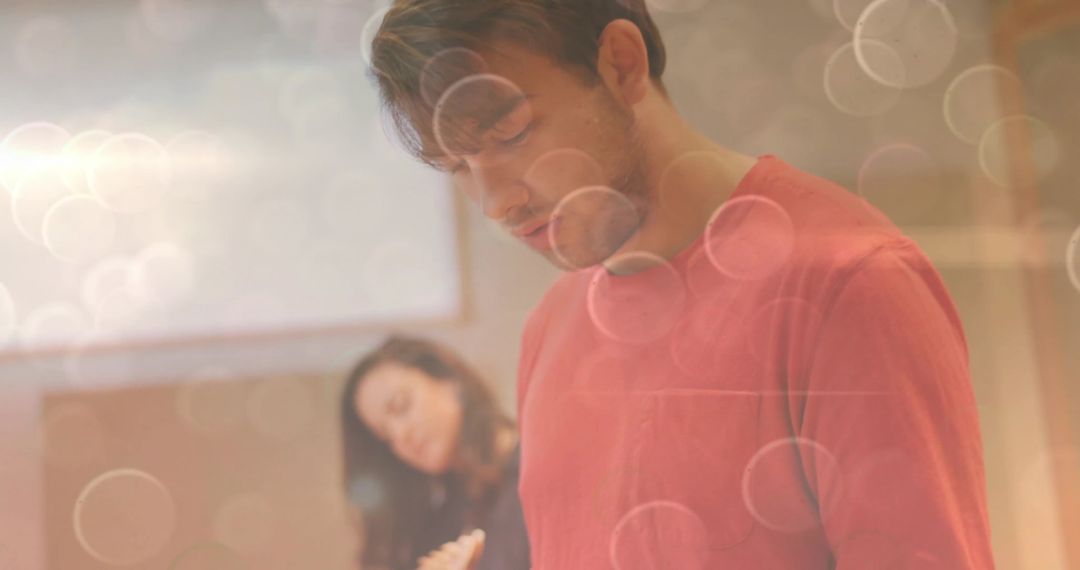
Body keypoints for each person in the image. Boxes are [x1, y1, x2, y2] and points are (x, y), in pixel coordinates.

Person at [368, 1, 996, 569]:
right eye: (458, 167)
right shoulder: (552, 326)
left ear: (620, 62)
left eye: (512, 135)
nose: (496, 203)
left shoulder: (849, 285)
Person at [339, 335, 529, 570]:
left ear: (450, 380)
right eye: (386, 436)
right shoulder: (439, 527)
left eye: (401, 406)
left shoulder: (537, 475)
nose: (401, 435)